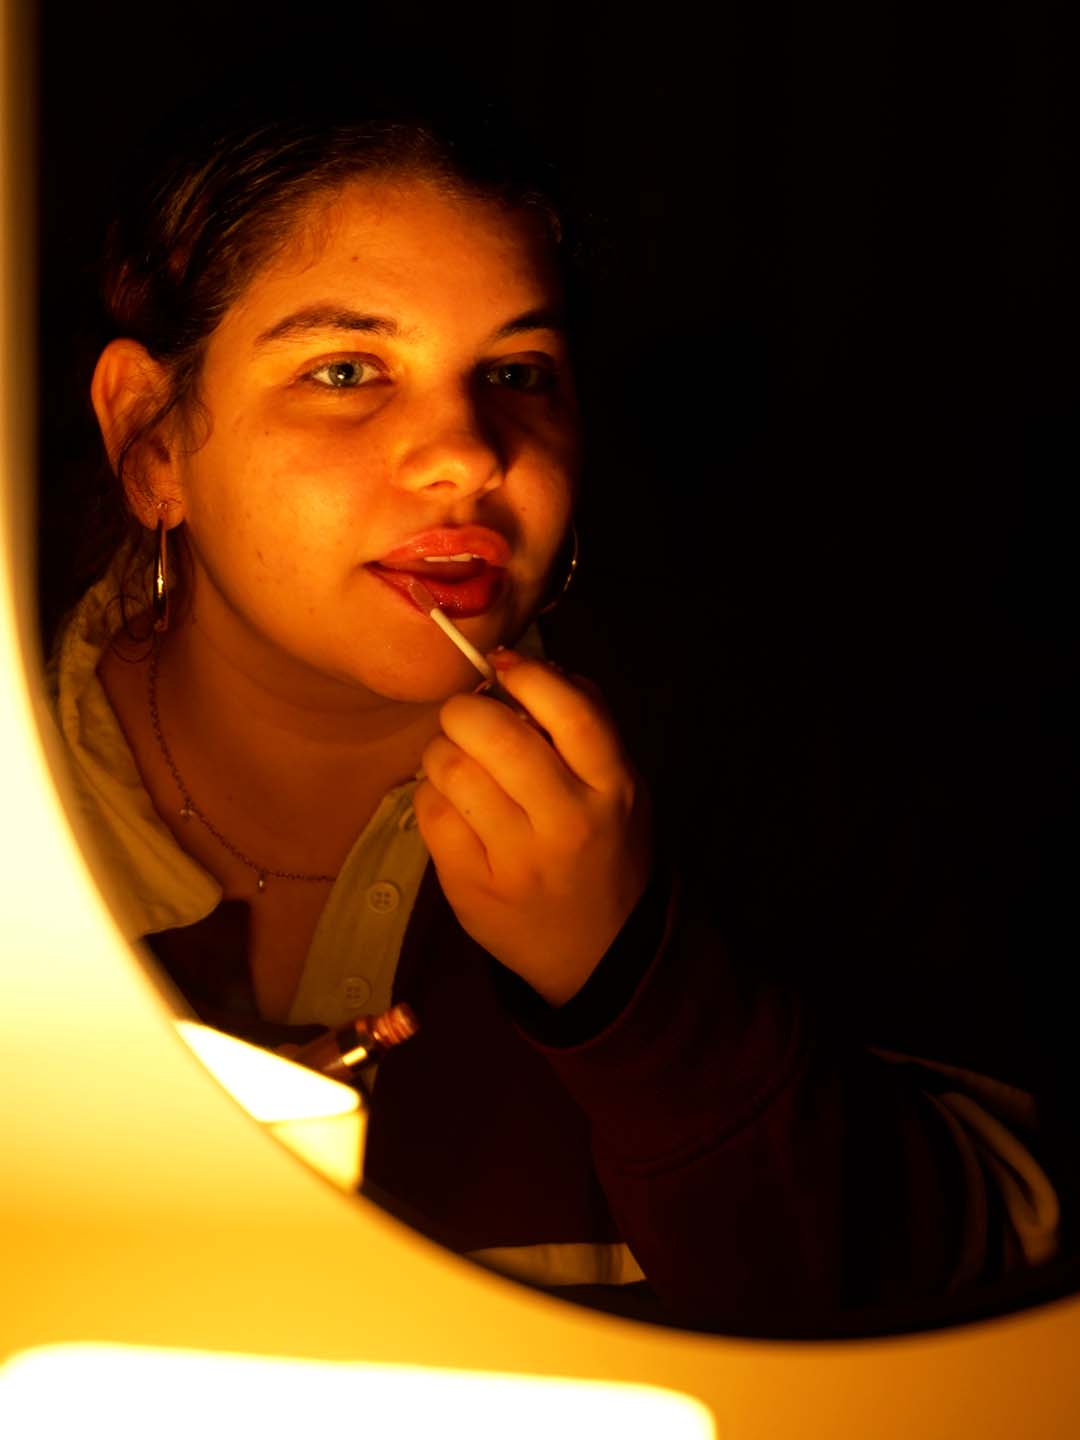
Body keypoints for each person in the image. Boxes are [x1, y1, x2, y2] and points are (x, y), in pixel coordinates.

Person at [45, 84, 1061, 1335]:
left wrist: (632, 983)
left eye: (518, 370)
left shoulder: (763, 782)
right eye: (348, 369)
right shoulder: (29, 818)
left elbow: (995, 1313)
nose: (469, 455)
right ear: (150, 438)